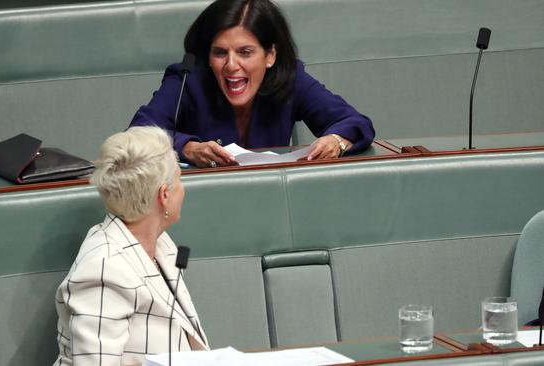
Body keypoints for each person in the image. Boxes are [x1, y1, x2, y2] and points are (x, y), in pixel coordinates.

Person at [130, 0, 375, 168]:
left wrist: (336, 141)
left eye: (245, 52)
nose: (231, 65)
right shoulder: (188, 79)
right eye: (220, 53)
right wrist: (188, 148)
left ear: (270, 56)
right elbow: (139, 133)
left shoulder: (290, 78)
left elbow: (355, 123)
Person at [52, 126, 209, 366]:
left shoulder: (159, 244)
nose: (183, 188)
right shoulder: (103, 270)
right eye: (179, 178)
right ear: (164, 195)